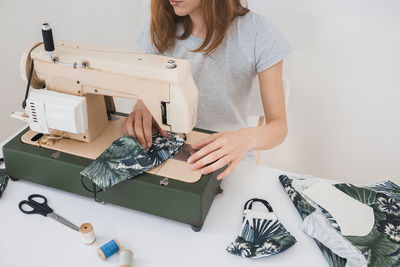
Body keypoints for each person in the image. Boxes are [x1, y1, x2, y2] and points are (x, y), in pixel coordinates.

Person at [122, 0, 292, 180]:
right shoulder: (162, 24)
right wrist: (142, 105)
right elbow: (150, 87)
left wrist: (245, 139)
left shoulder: (257, 32)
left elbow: (278, 127)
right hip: (166, 148)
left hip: (227, 155)